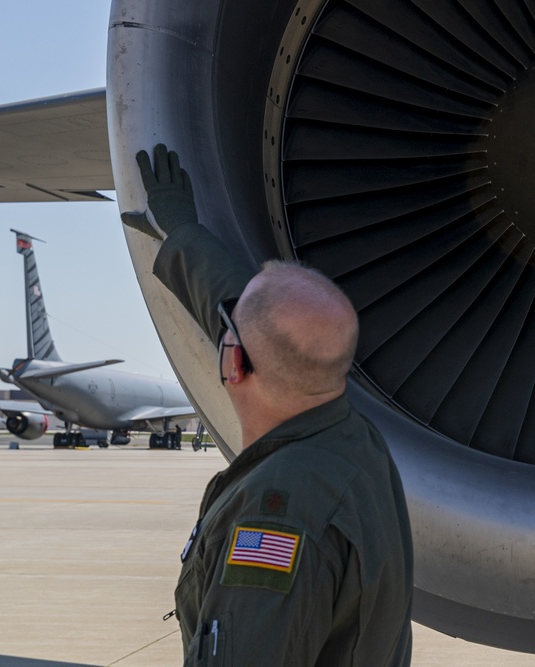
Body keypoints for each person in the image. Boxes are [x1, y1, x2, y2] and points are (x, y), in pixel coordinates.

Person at [122, 144, 414, 666]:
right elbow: (251, 317)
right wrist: (182, 231)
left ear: (233, 365)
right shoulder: (352, 438)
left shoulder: (275, 513)